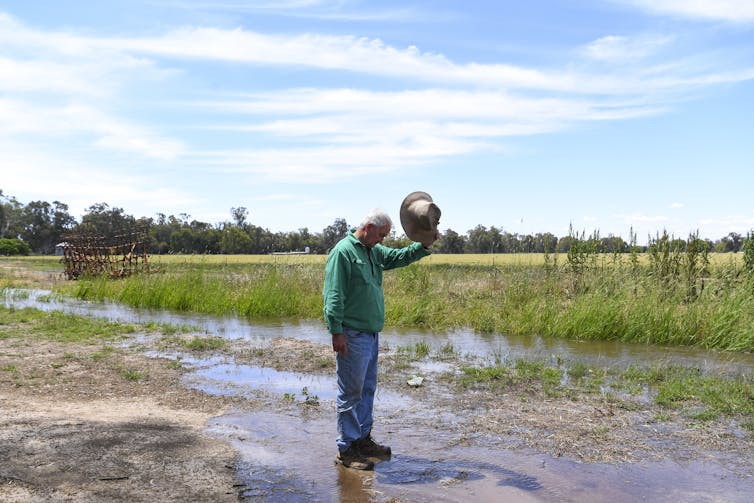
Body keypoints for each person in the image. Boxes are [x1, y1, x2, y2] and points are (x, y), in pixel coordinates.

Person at [323, 206, 439, 471]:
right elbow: (333, 296)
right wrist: (336, 332)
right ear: (368, 229)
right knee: (350, 393)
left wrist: (423, 245)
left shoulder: (373, 251)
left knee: (366, 390)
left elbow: (398, 257)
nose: (383, 241)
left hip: (371, 335)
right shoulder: (343, 253)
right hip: (351, 335)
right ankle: (346, 449)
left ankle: (362, 440)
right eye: (382, 235)